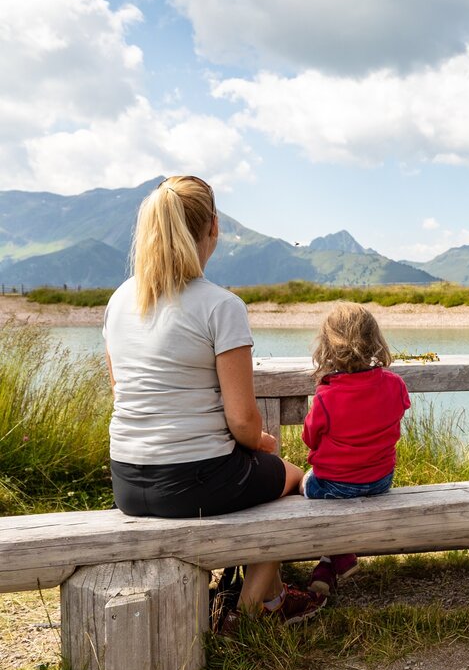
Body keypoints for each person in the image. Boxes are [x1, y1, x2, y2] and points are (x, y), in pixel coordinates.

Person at [103, 175, 320, 629]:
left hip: (126, 480)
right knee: (293, 479)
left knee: (256, 475)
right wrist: (260, 443)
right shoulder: (221, 306)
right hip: (193, 480)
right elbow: (241, 420)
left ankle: (260, 593)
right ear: (213, 228)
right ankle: (255, 608)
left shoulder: (120, 300)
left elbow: (119, 390)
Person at [300, 302, 411, 596]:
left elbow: (309, 438)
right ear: (375, 341)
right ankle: (330, 563)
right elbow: (398, 412)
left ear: (327, 346)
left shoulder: (327, 394)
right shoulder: (394, 383)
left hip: (333, 485)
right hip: (380, 481)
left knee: (301, 484)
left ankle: (340, 555)